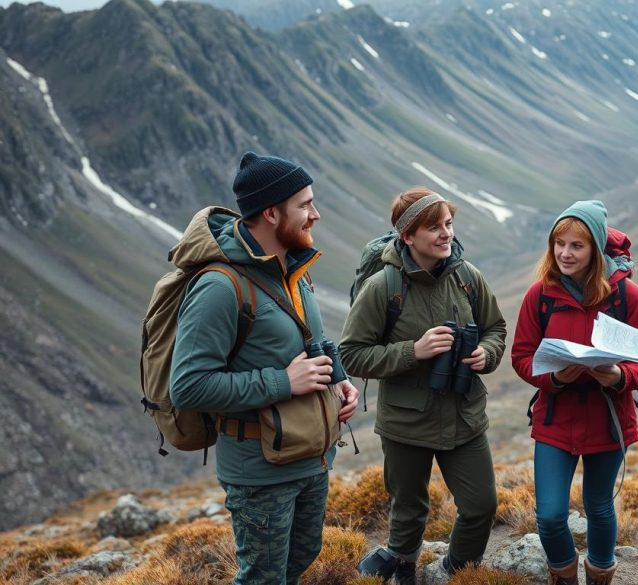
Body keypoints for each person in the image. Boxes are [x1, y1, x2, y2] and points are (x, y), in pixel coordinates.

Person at [170, 151, 359, 585]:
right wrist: (284, 381)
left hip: (311, 455)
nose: (316, 214)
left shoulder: (293, 269)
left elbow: (312, 341)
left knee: (299, 560)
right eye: (305, 204)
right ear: (271, 213)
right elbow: (189, 387)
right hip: (260, 471)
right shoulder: (220, 286)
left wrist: (340, 380)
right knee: (263, 578)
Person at [340, 188, 507, 585]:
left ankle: (454, 570)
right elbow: (352, 354)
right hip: (406, 422)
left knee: (481, 505)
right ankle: (404, 565)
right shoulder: (383, 286)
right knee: (409, 508)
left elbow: (496, 329)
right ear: (408, 236)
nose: (445, 234)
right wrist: (413, 351)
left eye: (448, 224)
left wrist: (486, 353)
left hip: (464, 415)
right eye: (433, 227)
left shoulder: (468, 278)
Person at [511, 200, 638, 585]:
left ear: (594, 248)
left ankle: (599, 577)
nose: (565, 253)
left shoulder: (628, 297)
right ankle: (563, 576)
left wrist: (618, 376)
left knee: (599, 506)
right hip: (555, 418)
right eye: (559, 244)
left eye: (576, 245)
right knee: (550, 515)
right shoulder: (539, 295)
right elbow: (522, 356)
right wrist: (555, 379)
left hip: (607, 419)